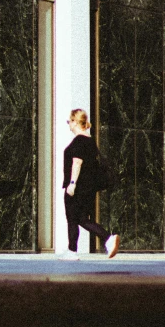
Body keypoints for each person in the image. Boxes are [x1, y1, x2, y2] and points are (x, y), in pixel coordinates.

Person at [62, 108, 119, 260]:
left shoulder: (79, 141)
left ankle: (73, 251)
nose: (69, 124)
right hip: (88, 188)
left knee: (73, 218)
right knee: (82, 219)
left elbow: (77, 163)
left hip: (78, 187)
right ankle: (107, 238)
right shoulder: (90, 141)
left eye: (69, 121)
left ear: (75, 122)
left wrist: (72, 183)